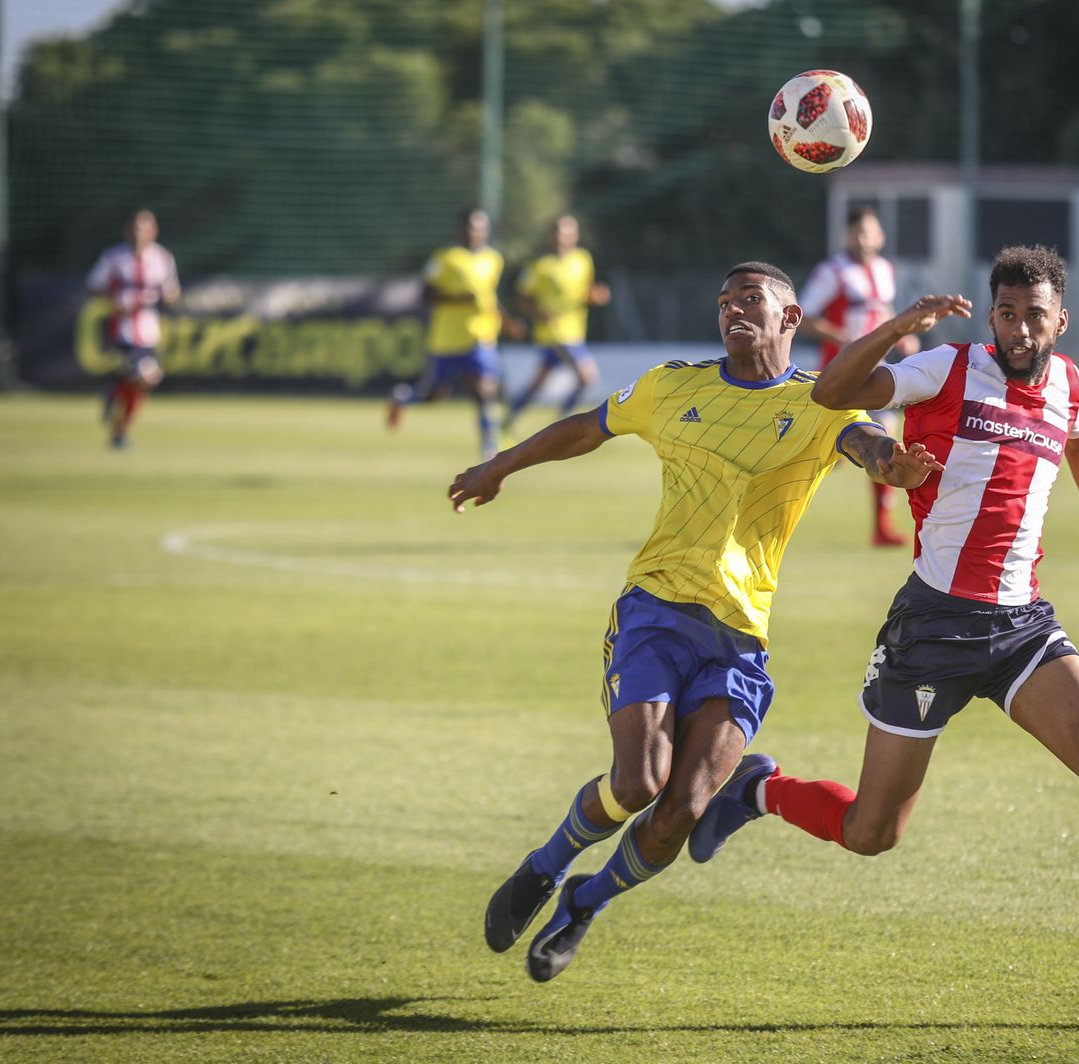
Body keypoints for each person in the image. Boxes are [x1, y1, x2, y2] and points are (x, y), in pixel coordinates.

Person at [690, 245, 1079, 1011]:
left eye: (1035, 315)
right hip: (933, 627)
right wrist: (903, 324)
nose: (1020, 329)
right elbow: (832, 392)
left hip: (1022, 627)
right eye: (1007, 314)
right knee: (873, 831)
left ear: (1060, 320)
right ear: (993, 315)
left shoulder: (1067, 384)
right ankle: (759, 790)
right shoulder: (948, 367)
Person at [450, 261, 945, 984]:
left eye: (751, 298)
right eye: (724, 302)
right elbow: (588, 428)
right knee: (640, 779)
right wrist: (503, 463)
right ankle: (547, 864)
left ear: (789, 319)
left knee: (682, 806)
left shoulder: (822, 405)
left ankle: (586, 901)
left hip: (740, 640)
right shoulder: (672, 385)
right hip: (656, 609)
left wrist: (900, 470)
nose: (732, 310)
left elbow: (874, 451)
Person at [797, 204, 921, 547]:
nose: (865, 239)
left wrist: (903, 334)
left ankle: (882, 528)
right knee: (827, 453)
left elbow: (884, 311)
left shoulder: (884, 270)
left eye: (871, 232)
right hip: (839, 375)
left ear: (880, 236)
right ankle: (775, 503)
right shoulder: (832, 272)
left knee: (885, 439)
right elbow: (804, 318)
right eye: (858, 232)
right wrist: (847, 341)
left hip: (878, 371)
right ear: (847, 236)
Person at [387, 208, 511, 460]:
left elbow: (487, 297)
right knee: (434, 395)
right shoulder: (445, 258)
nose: (474, 232)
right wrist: (458, 299)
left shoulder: (493, 259)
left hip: (481, 337)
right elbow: (424, 294)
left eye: (479, 227)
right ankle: (403, 398)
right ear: (461, 230)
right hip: (447, 340)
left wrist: (506, 320)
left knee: (484, 391)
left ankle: (490, 447)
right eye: (469, 227)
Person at [502, 214, 612, 430]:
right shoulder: (540, 266)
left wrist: (596, 295)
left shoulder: (583, 259)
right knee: (587, 377)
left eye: (569, 233)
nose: (563, 238)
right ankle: (563, 424)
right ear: (551, 236)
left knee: (537, 385)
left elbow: (584, 291)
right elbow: (522, 298)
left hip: (575, 330)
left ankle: (507, 422)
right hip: (554, 334)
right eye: (559, 233)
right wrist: (540, 314)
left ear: (576, 235)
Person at [86, 208, 180, 449]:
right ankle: (117, 410)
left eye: (145, 228)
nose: (139, 233)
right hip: (122, 330)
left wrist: (169, 295)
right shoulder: (114, 257)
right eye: (135, 228)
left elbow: (172, 294)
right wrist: (114, 302)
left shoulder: (163, 258)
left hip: (148, 332)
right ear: (127, 230)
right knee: (147, 376)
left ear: (154, 231)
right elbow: (93, 285)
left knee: (142, 383)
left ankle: (118, 423)